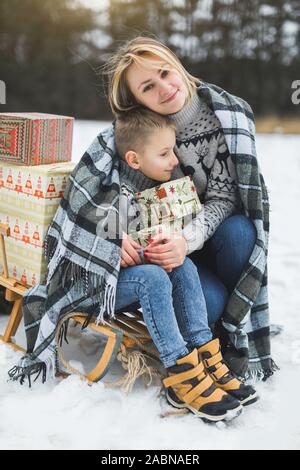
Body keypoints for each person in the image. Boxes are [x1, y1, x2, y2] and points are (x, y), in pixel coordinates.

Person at [8, 35, 275, 401]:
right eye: (149, 87)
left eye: (165, 73)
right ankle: (205, 329)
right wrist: (113, 240)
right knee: (205, 303)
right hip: (165, 258)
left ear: (176, 64)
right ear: (137, 99)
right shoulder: (137, 134)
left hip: (204, 238)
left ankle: (230, 325)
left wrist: (186, 241)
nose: (164, 88)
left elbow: (228, 196)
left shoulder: (228, 117)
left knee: (242, 232)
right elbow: (104, 196)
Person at [112, 106, 257, 421]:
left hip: (142, 270)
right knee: (152, 276)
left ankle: (205, 352)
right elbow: (93, 231)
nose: (175, 160)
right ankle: (179, 371)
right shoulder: (112, 187)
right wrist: (113, 240)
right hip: (105, 284)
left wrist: (169, 244)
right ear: (134, 159)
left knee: (183, 266)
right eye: (165, 153)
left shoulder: (158, 186)